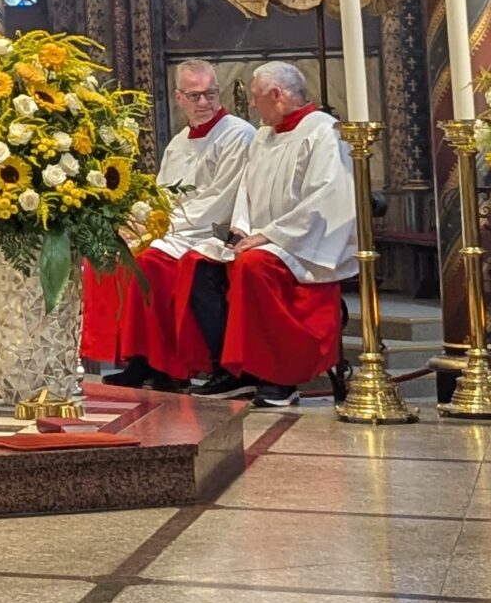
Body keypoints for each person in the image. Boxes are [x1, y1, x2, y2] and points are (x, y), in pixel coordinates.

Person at [191, 62, 355, 407]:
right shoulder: (264, 135)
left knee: (254, 266)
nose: (252, 104)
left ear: (277, 95)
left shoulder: (324, 132)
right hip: (261, 239)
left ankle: (279, 377)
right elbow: (247, 189)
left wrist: (268, 236)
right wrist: (240, 228)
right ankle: (235, 371)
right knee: (201, 263)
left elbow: (324, 199)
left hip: (302, 244)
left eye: (256, 97)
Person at [83, 60, 256, 387]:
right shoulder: (179, 142)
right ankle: (140, 359)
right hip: (176, 229)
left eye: (210, 94)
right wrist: (141, 221)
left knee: (149, 262)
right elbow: (162, 194)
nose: (204, 102)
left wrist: (161, 228)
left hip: (210, 232)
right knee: (113, 257)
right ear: (178, 98)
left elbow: (221, 199)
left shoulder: (238, 134)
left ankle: (167, 366)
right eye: (194, 96)